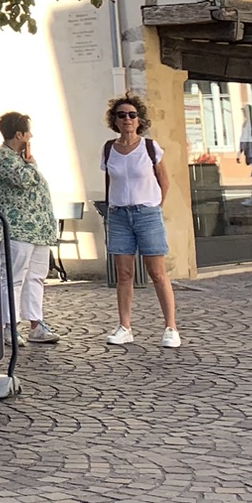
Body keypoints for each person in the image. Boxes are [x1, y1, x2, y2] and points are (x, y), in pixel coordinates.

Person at [101, 94, 182, 348]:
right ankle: (125, 327)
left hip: (146, 213)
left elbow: (164, 181)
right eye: (122, 115)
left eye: (132, 115)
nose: (127, 119)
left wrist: (155, 206)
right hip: (119, 215)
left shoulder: (149, 147)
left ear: (139, 120)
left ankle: (171, 327)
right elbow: (110, 181)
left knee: (157, 272)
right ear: (115, 121)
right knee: (124, 273)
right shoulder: (108, 149)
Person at [0, 112, 60, 346]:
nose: (31, 136)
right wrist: (32, 163)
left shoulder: (19, 158)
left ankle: (36, 324)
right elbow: (24, 180)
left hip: (37, 230)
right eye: (28, 132)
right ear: (19, 134)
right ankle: (9, 326)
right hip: (17, 229)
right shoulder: (4, 156)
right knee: (13, 278)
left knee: (35, 277)